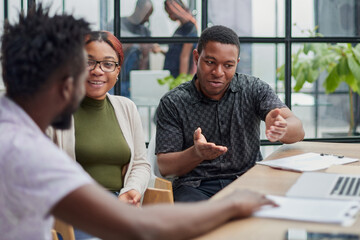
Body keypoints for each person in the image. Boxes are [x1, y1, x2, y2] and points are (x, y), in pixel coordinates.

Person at [0, 5, 277, 240]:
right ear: (63, 83)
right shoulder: (23, 152)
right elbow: (139, 225)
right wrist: (231, 205)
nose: (93, 76)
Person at [155, 25, 305, 202]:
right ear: (196, 57)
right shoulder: (173, 102)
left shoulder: (253, 89)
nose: (218, 72)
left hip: (248, 181)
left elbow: (299, 130)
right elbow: (165, 166)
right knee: (197, 222)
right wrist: (197, 153)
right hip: (196, 187)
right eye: (210, 62)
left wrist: (283, 127)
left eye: (228, 65)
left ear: (237, 63)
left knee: (274, 214)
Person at [47, 31, 151, 239]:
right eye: (89, 62)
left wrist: (130, 191)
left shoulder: (127, 108)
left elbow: (140, 163)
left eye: (108, 64)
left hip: (119, 205)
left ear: (118, 70)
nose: (98, 71)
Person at [152, 0, 198, 78]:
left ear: (175, 10)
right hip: (170, 74)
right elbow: (175, 53)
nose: (169, 16)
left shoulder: (190, 28)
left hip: (177, 75)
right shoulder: (180, 28)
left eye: (169, 13)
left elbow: (185, 57)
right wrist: (160, 50)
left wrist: (181, 81)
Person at [119, 0, 153, 97]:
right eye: (146, 15)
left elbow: (146, 61)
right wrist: (135, 43)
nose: (147, 19)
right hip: (118, 80)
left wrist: (146, 54)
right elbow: (110, 49)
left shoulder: (145, 31)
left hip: (136, 82)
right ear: (138, 9)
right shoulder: (118, 24)